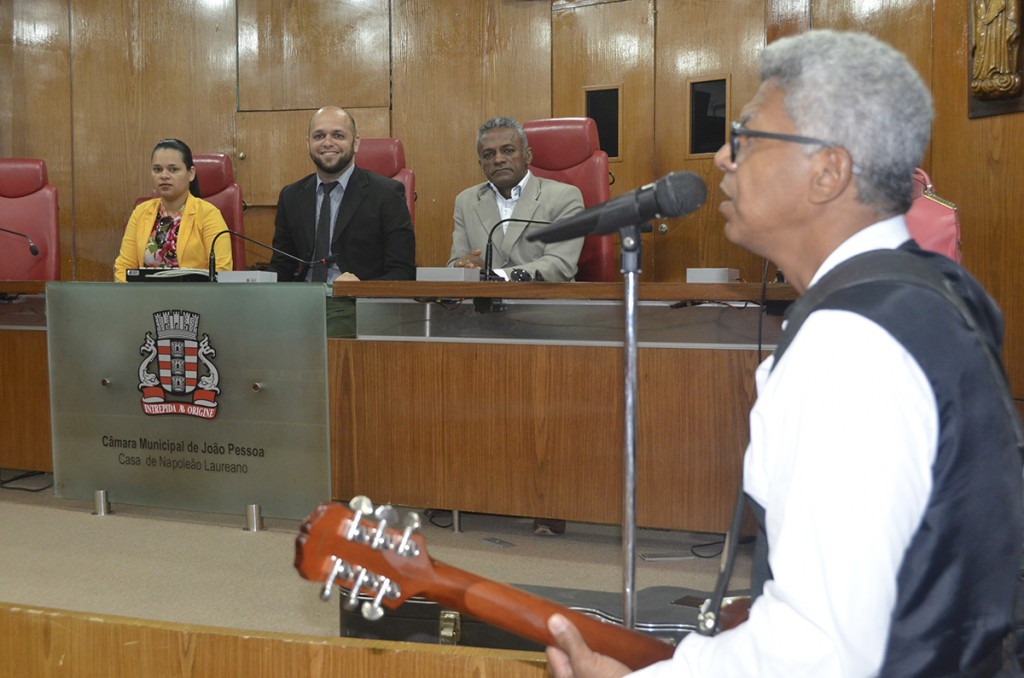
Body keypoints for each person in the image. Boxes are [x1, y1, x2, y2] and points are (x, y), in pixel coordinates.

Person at [546, 30, 1023, 677]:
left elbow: (821, 649)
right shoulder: (923, 290)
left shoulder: (850, 345)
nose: (720, 158)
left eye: (744, 139)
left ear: (828, 171)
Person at [269, 106, 415, 335]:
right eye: (319, 136)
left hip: (356, 304)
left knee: (322, 334)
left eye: (338, 135)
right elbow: (282, 266)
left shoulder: (386, 194)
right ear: (307, 143)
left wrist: (362, 288)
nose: (328, 142)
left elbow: (403, 272)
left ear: (356, 143)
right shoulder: (291, 196)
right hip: (300, 303)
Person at [448, 117, 585, 282]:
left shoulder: (564, 197)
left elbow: (560, 265)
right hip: (483, 305)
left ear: (527, 156)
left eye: (508, 151)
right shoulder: (466, 201)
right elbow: (455, 263)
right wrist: (465, 266)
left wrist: (493, 276)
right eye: (488, 154)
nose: (498, 160)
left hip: (544, 303)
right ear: (481, 164)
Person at [114, 139, 232, 281]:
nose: (164, 175)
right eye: (157, 169)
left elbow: (222, 270)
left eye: (173, 169)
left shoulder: (208, 215)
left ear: (191, 173)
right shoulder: (141, 213)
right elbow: (123, 267)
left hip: (194, 300)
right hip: (145, 300)